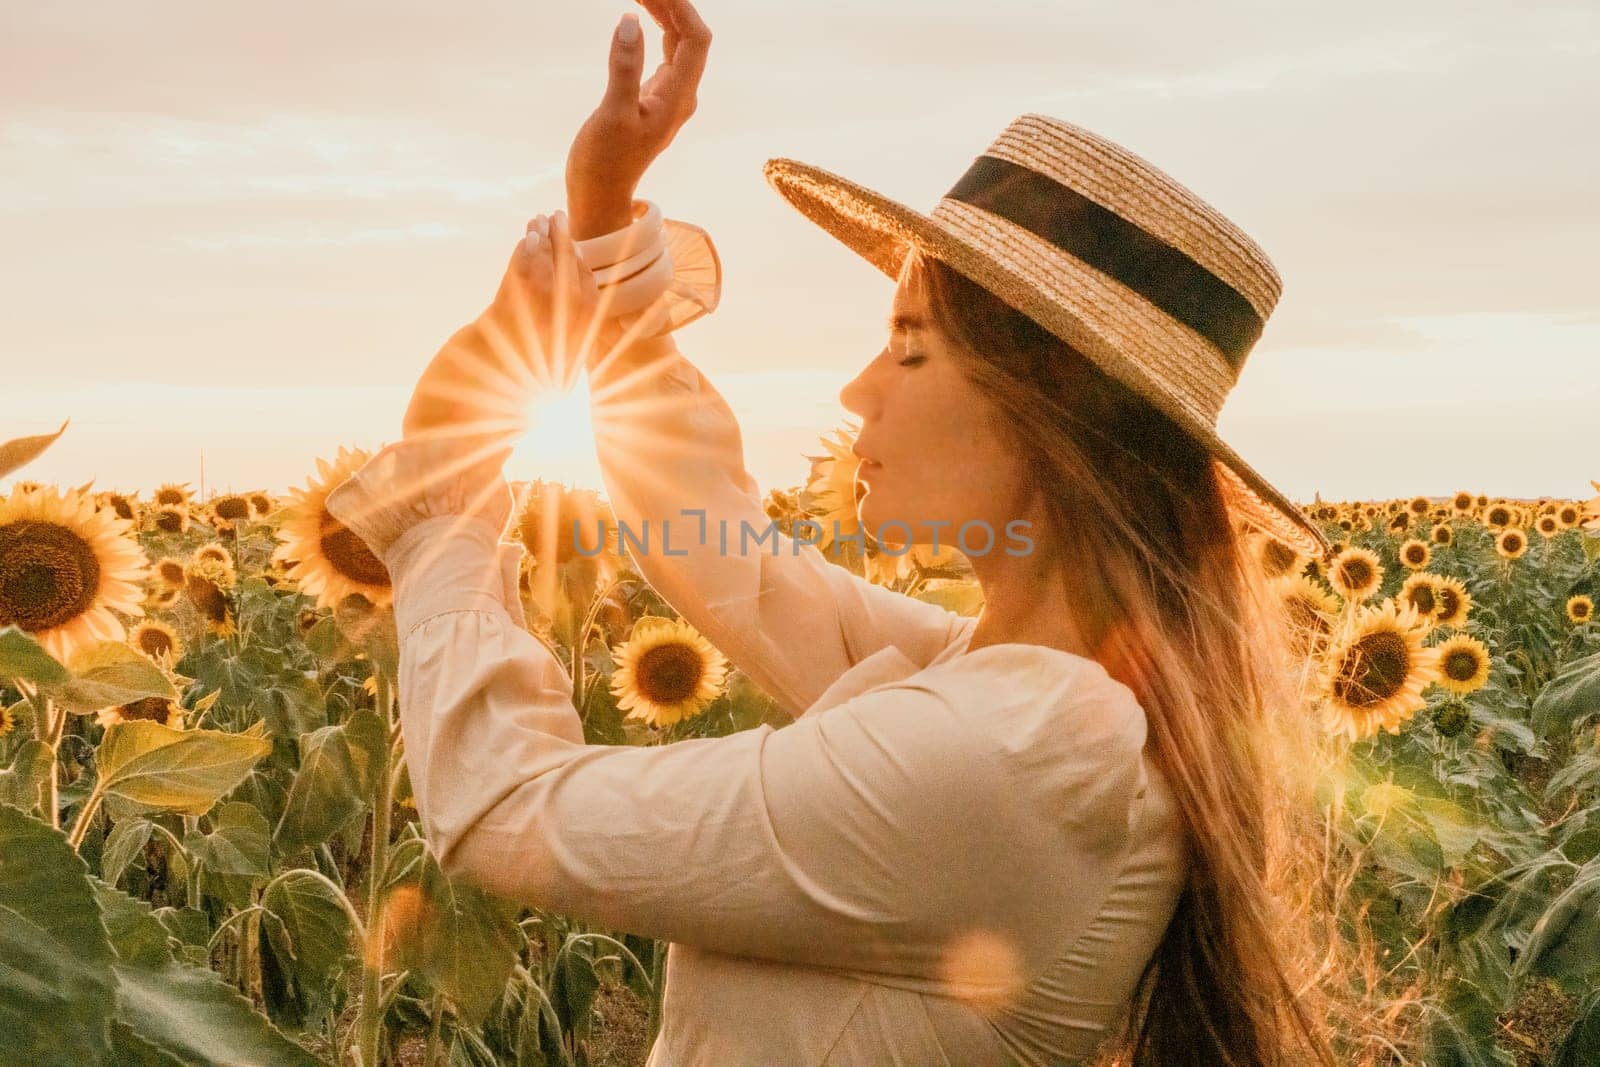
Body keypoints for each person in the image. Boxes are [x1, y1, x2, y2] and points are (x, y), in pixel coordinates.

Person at [326, 0, 1340, 1063]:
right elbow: (735, 557)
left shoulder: (1020, 754)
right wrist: (603, 220)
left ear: (1050, 411)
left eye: (909, 346)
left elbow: (506, 806)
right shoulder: (1008, 680)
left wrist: (443, 499)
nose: (858, 392)